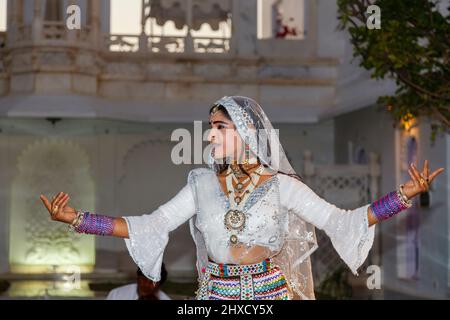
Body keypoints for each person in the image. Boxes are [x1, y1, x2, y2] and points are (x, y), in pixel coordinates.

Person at [40, 96, 445, 300]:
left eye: (219, 127)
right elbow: (150, 225)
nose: (210, 135)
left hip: (271, 293)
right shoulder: (200, 184)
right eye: (210, 127)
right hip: (214, 294)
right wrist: (79, 219)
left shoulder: (282, 184)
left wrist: (401, 196)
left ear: (246, 132)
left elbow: (344, 221)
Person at [106, 265, 171, 300]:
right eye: (144, 279)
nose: (147, 284)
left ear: (160, 284)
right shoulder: (116, 295)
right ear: (137, 278)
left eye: (152, 282)